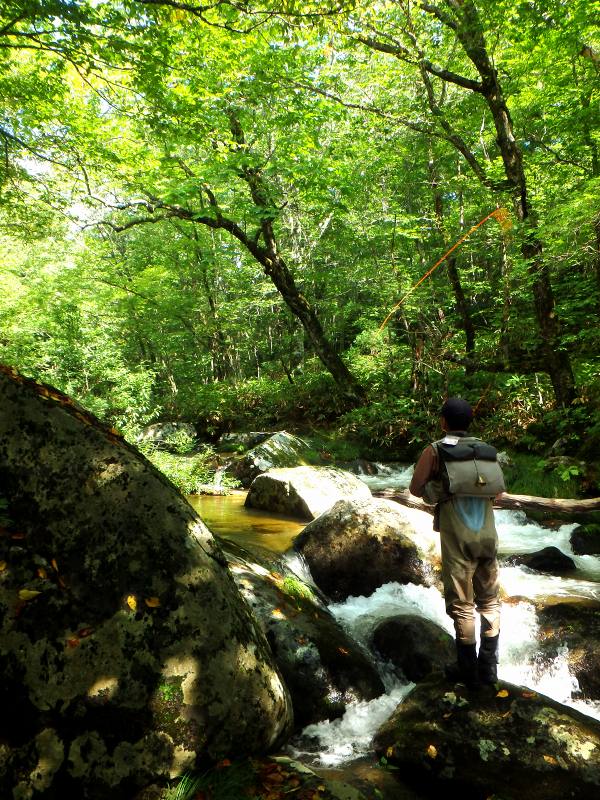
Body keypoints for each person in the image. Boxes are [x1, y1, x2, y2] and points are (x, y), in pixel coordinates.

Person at [409, 397, 501, 688]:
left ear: (443, 422)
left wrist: (439, 489)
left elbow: (415, 488)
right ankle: (489, 670)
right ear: (470, 422)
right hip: (488, 536)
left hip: (457, 537)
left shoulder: (436, 450)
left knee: (462, 605)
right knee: (490, 601)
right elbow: (497, 494)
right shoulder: (486, 452)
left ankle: (467, 671)